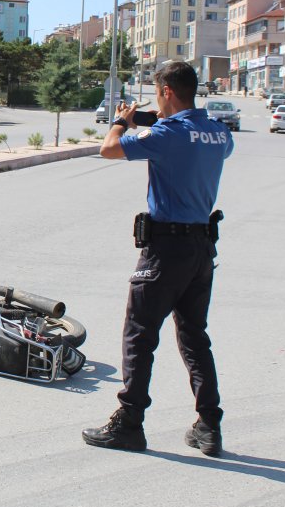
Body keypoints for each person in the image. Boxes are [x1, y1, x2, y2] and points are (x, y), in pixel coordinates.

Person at [82, 62, 233, 457]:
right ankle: (209, 425)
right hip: (201, 249)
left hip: (165, 250)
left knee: (140, 336)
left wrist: (120, 122)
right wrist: (150, 126)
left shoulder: (168, 134)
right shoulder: (218, 132)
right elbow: (197, 145)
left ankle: (129, 422)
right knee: (195, 339)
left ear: (166, 91)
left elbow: (108, 149)